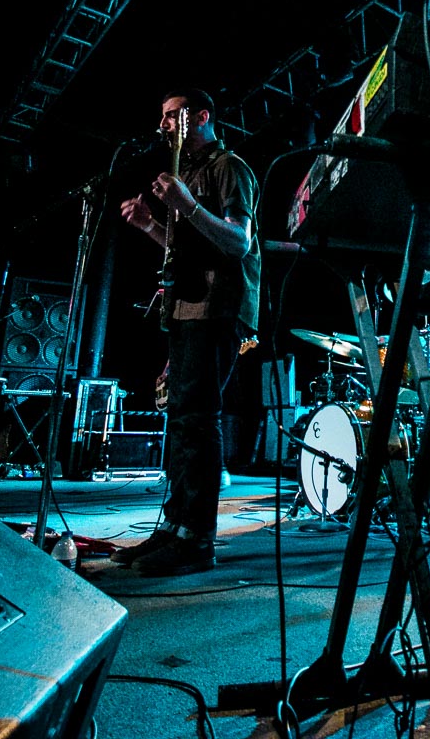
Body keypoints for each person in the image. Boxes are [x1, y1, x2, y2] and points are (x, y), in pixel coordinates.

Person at [115, 88, 261, 576]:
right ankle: (175, 527)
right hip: (184, 306)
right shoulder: (186, 174)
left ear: (201, 117)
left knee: (198, 418)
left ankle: (198, 539)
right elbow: (185, 252)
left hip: (217, 308)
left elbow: (239, 242)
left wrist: (187, 205)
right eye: (160, 117)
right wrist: (151, 225)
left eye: (172, 115)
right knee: (180, 419)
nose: (163, 125)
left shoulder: (228, 167)